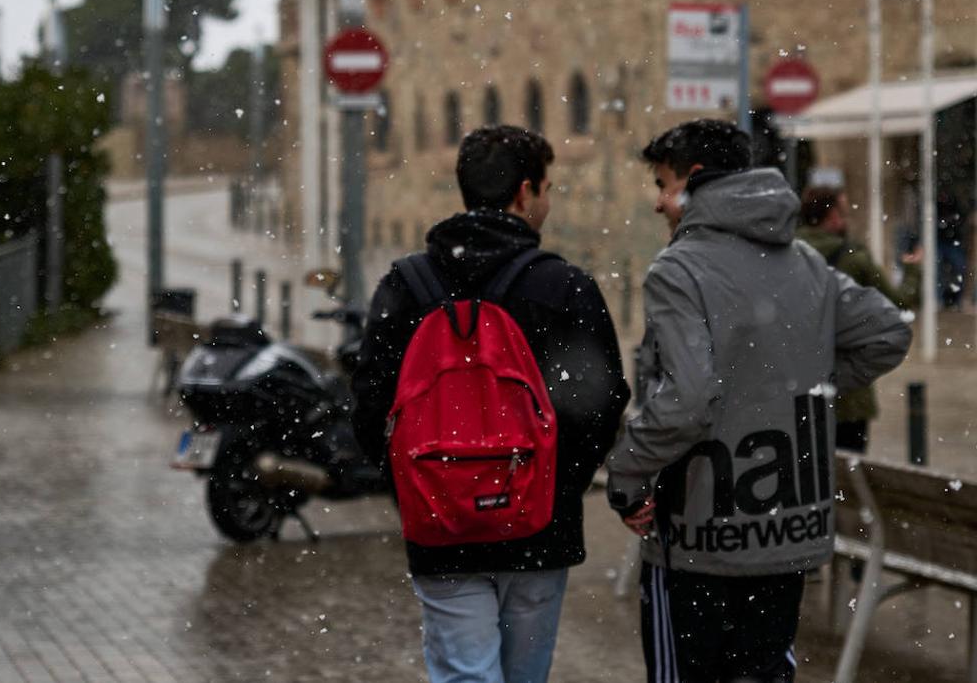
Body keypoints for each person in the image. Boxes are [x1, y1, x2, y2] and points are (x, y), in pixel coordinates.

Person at [605, 119, 912, 682]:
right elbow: (889, 332)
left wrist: (626, 475)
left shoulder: (680, 269)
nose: (657, 203)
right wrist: (802, 384)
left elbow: (687, 398)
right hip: (783, 530)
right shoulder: (807, 264)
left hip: (702, 531)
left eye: (663, 184)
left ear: (695, 180)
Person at [353, 124, 630, 683]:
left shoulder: (405, 286)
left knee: (464, 675)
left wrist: (424, 486)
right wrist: (552, 487)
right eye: (547, 189)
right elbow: (600, 408)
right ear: (525, 192)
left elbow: (368, 408)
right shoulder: (564, 287)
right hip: (537, 527)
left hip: (440, 524)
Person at [797, 185, 920, 452]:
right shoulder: (853, 258)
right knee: (849, 483)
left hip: (795, 395)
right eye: (843, 211)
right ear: (832, 216)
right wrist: (912, 271)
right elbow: (900, 305)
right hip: (849, 402)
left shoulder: (783, 255)